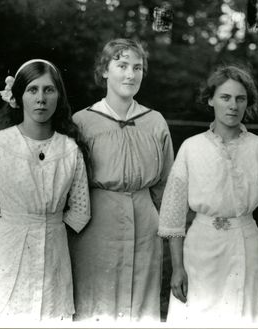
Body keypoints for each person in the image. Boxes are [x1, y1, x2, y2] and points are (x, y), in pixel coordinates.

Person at [0, 59, 91, 322]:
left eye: (49, 90)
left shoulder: (70, 149)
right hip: (7, 249)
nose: (41, 99)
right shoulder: (0, 144)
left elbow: (81, 211)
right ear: (18, 96)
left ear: (59, 96)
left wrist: (52, 233)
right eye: (32, 90)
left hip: (54, 257)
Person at [158, 65, 258, 325]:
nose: (233, 106)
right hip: (201, 248)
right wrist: (178, 268)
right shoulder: (191, 147)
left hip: (247, 245)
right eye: (225, 97)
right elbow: (173, 215)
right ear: (211, 99)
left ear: (248, 103)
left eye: (240, 98)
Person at [69, 38, 174, 322]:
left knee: (140, 304)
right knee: (96, 302)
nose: (130, 74)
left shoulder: (155, 122)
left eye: (137, 67)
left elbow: (166, 185)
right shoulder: (82, 121)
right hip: (95, 221)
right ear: (104, 70)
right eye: (122, 65)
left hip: (145, 222)